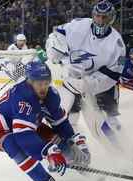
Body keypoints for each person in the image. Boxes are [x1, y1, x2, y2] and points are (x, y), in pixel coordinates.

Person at [0, 61, 90, 181]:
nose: (43, 88)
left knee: (55, 139)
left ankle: (79, 164)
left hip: (27, 122)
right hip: (2, 127)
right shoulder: (22, 97)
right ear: (30, 82)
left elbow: (60, 123)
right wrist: (48, 152)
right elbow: (23, 138)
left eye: (46, 83)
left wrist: (71, 140)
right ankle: (45, 180)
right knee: (13, 145)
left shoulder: (51, 94)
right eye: (39, 83)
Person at [46, 0, 125, 130]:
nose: (100, 20)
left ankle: (118, 136)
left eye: (104, 17)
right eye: (97, 16)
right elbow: (57, 33)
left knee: (109, 118)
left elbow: (114, 74)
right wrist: (55, 49)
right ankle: (72, 137)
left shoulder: (117, 44)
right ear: (93, 15)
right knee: (70, 114)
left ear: (111, 19)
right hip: (74, 78)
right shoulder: (79, 24)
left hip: (101, 84)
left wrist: (89, 83)